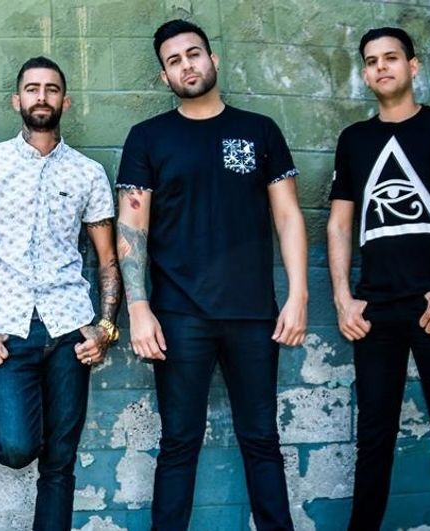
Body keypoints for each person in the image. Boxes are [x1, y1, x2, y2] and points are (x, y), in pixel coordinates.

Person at [116, 19, 308, 530]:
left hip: (254, 314)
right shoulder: (148, 138)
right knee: (179, 442)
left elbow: (288, 216)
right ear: (165, 76)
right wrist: (138, 307)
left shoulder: (260, 130)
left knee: (262, 440)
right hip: (179, 316)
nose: (187, 65)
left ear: (212, 59)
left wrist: (298, 296)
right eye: (174, 61)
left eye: (194, 54)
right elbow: (131, 225)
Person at [327, 27, 430, 530]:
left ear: (413, 66)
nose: (381, 67)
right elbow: (339, 224)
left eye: (391, 57)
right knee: (373, 439)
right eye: (371, 61)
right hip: (375, 312)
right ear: (365, 74)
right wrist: (343, 299)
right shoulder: (354, 140)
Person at [0, 56, 121, 531]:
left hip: (70, 330)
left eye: (51, 89)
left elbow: (108, 259)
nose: (41, 96)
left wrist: (106, 328)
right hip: (8, 333)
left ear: (65, 101)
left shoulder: (87, 173)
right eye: (32, 88)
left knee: (60, 461)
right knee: (15, 447)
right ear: (17, 100)